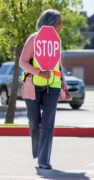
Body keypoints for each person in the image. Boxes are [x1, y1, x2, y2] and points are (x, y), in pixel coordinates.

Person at [19, 9, 70, 170]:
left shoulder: (56, 41)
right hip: (32, 86)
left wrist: (64, 86)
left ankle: (43, 159)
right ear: (50, 22)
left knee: (48, 124)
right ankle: (39, 152)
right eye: (59, 22)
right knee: (34, 122)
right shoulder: (34, 39)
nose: (61, 26)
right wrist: (38, 72)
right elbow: (22, 62)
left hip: (53, 87)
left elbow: (58, 65)